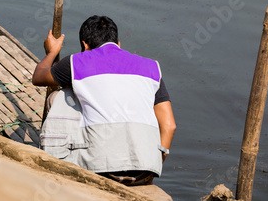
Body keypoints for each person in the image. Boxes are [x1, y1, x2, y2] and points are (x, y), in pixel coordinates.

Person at [32, 15, 176, 186]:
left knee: (59, 96)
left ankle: (55, 158)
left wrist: (52, 52)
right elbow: (169, 126)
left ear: (85, 45)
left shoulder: (77, 61)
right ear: (119, 44)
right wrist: (154, 163)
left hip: (102, 168)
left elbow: (38, 77)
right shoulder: (152, 67)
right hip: (146, 171)